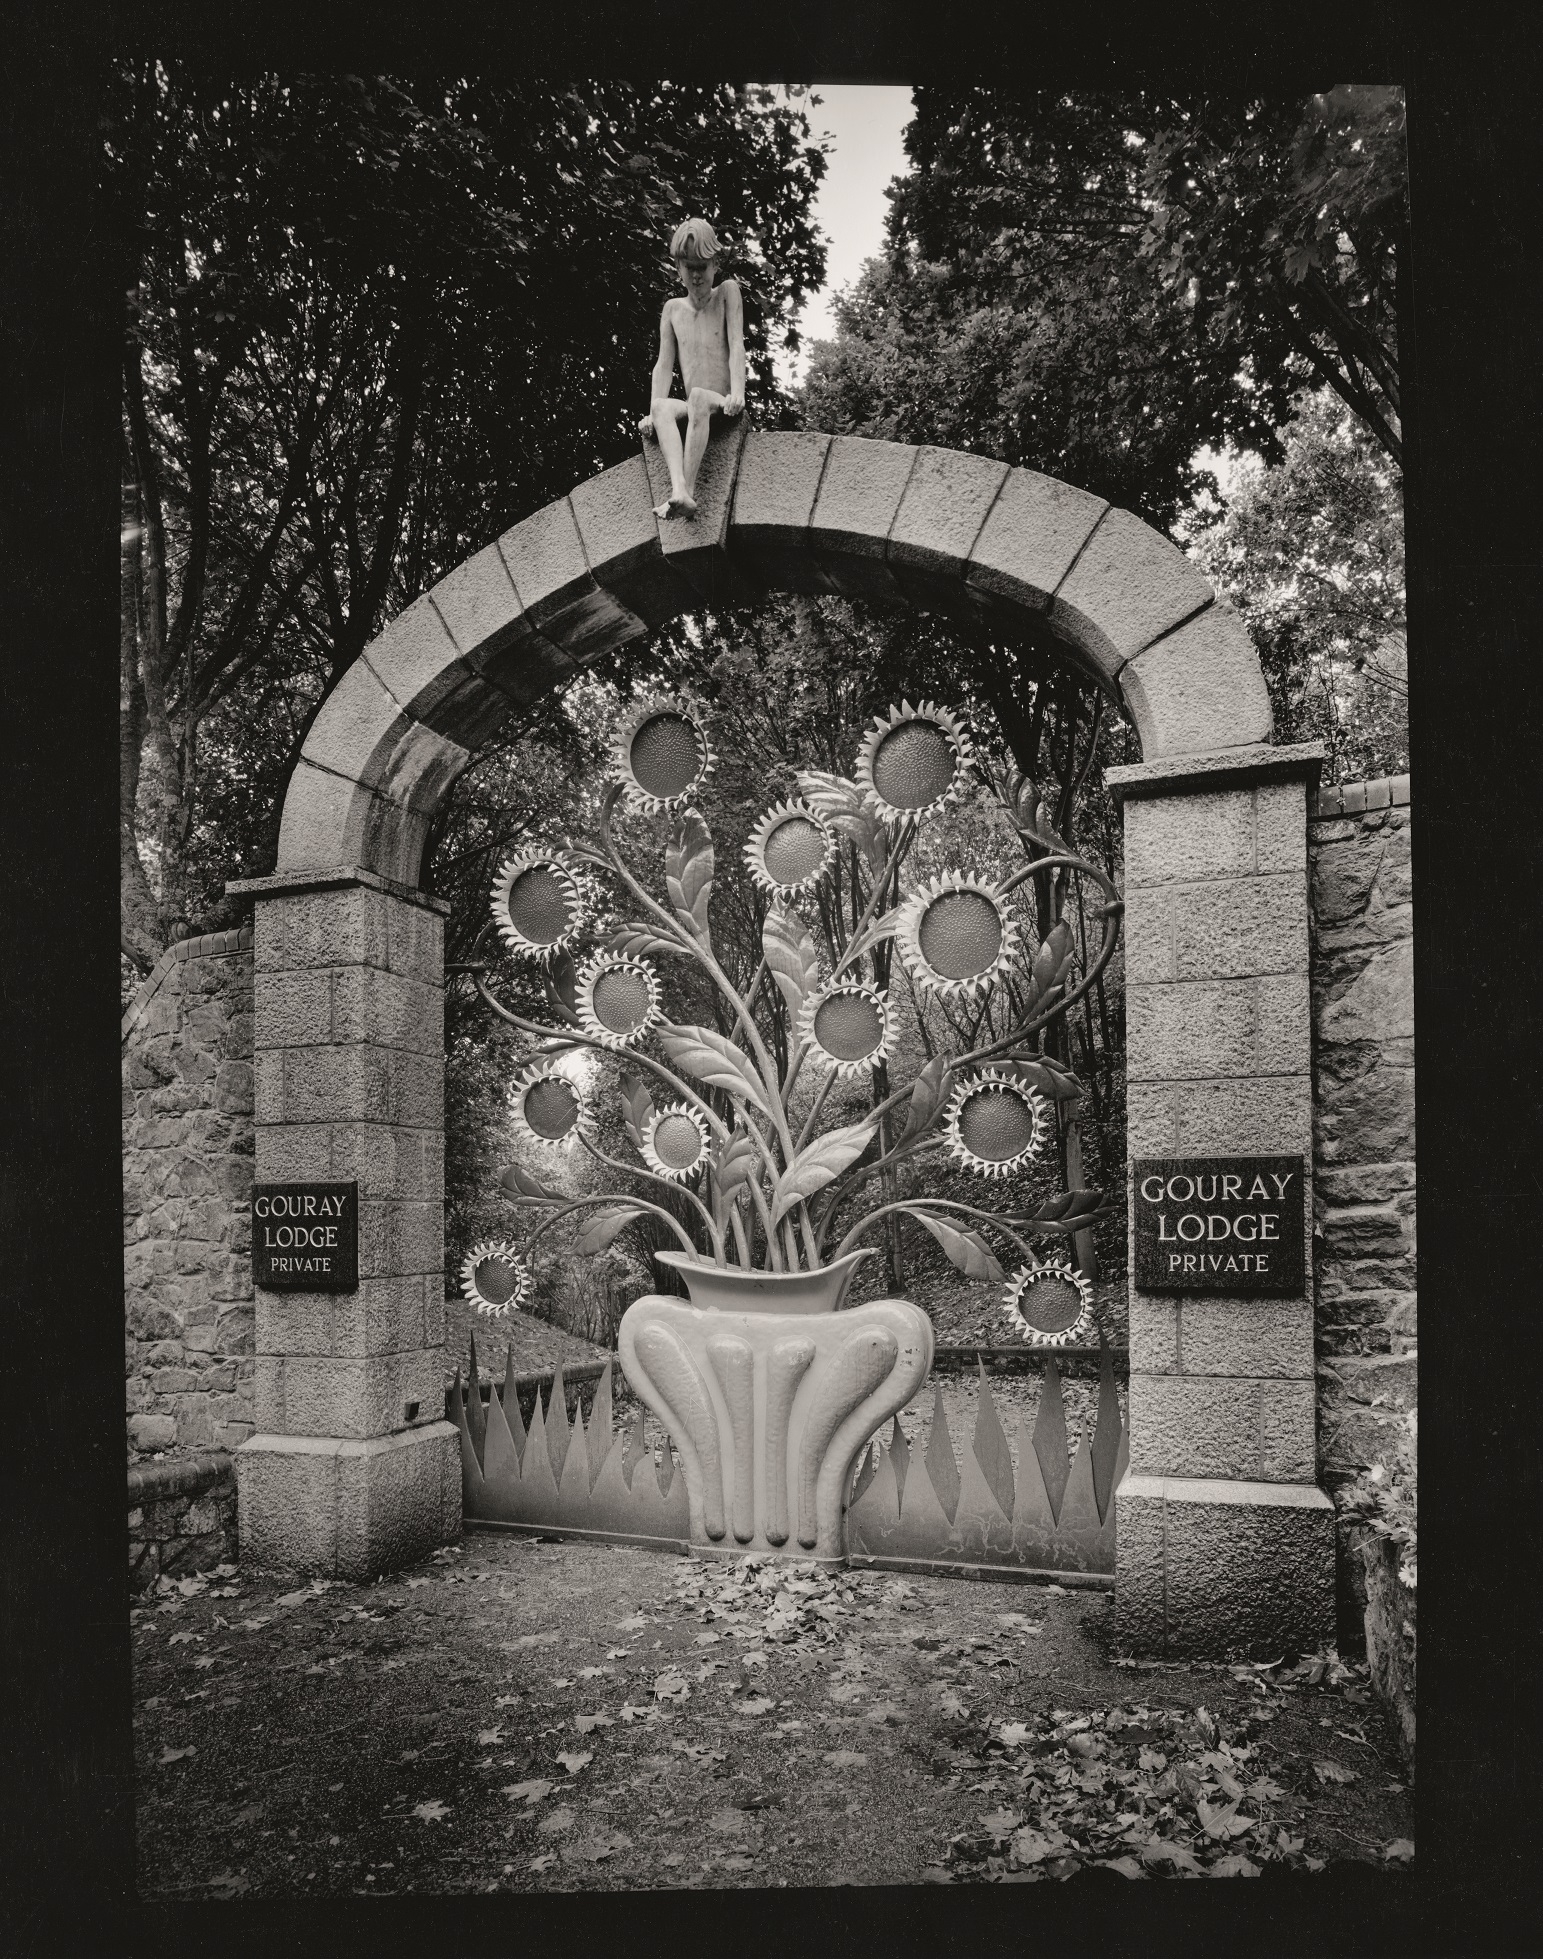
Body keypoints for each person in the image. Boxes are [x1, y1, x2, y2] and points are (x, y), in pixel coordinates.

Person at [639, 218, 746, 518]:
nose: (697, 275)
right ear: (678, 268)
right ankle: (678, 490)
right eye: (690, 267)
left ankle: (686, 492)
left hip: (722, 403)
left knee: (698, 396)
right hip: (694, 405)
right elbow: (663, 365)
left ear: (714, 264)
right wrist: (650, 414)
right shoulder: (673, 310)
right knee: (661, 407)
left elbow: (737, 343)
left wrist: (738, 392)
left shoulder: (727, 293)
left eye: (703, 266)